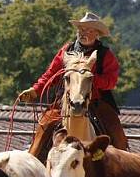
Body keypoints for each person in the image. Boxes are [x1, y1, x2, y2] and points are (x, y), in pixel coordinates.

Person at [18, 12, 128, 160]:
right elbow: (51, 74)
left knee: (115, 129)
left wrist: (89, 79)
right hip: (65, 100)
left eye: (88, 30)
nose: (83, 33)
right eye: (81, 29)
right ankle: (32, 160)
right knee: (44, 124)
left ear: (97, 34)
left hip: (95, 101)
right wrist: (35, 90)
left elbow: (111, 81)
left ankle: (123, 161)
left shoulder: (105, 55)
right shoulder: (66, 50)